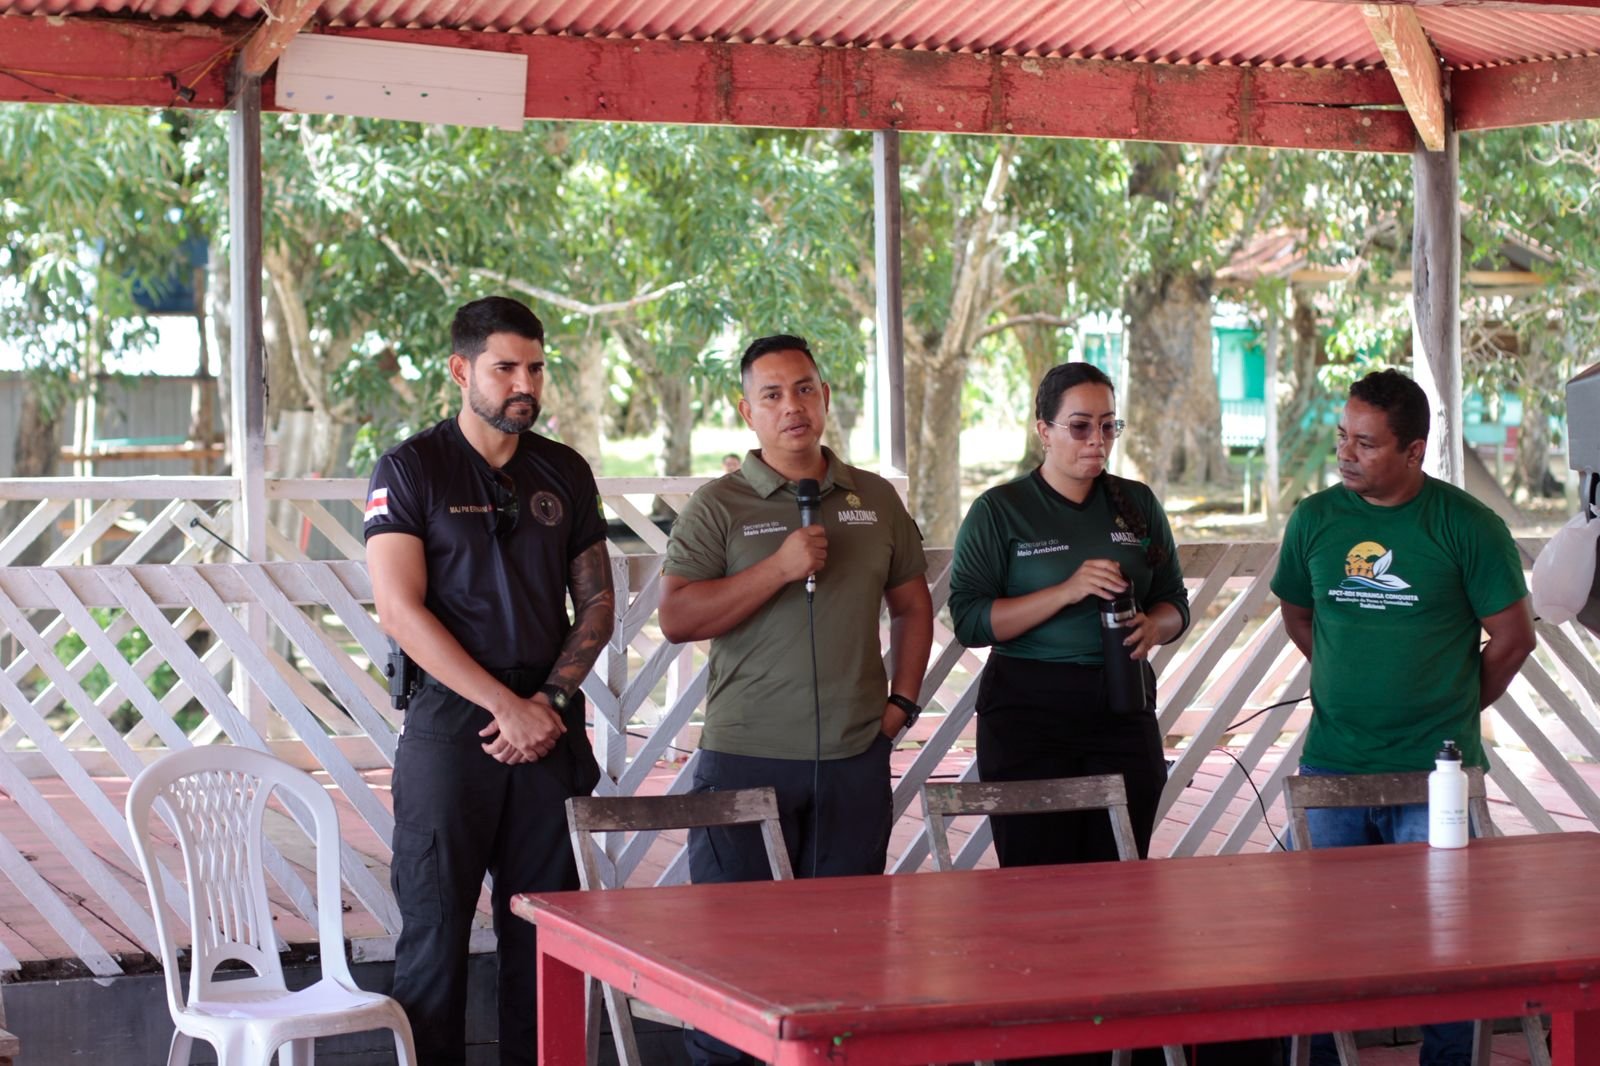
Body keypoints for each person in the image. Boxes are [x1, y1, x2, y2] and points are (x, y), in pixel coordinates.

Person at [659, 333, 934, 1066]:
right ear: (745, 410)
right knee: (735, 958)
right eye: (773, 394)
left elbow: (913, 605)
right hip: (745, 759)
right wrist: (778, 569)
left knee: (846, 958)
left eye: (805, 389)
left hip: (853, 758)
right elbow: (677, 617)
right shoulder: (719, 504)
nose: (793, 407)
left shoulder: (874, 498)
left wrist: (902, 705)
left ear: (826, 397)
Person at [365, 296, 614, 1066]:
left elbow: (598, 605)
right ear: (461, 370)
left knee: (545, 937)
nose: (524, 384)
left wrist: (547, 702)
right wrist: (505, 706)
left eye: (535, 368)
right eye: (505, 368)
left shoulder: (564, 470)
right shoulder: (411, 468)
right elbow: (399, 611)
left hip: (548, 724)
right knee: (434, 936)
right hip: (451, 726)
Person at [1272, 368, 1536, 1066]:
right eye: (1342, 436)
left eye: (1366, 443)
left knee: (1450, 944)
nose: (1345, 453)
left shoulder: (1467, 526)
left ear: (1414, 451)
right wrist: (1350, 678)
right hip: (1332, 766)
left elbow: (1514, 639)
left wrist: (1448, 703)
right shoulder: (1315, 520)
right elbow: (1299, 614)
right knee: (1319, 939)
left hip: (1436, 775)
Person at [949, 362, 1188, 870]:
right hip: (1028, 709)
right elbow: (969, 621)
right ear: (1044, 430)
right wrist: (1066, 591)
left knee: (1119, 871)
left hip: (1123, 702)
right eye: (1080, 426)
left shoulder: (1138, 502)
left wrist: (1154, 627)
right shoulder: (1000, 510)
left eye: (1109, 425)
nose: (1097, 440)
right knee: (1036, 876)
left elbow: (1174, 603)